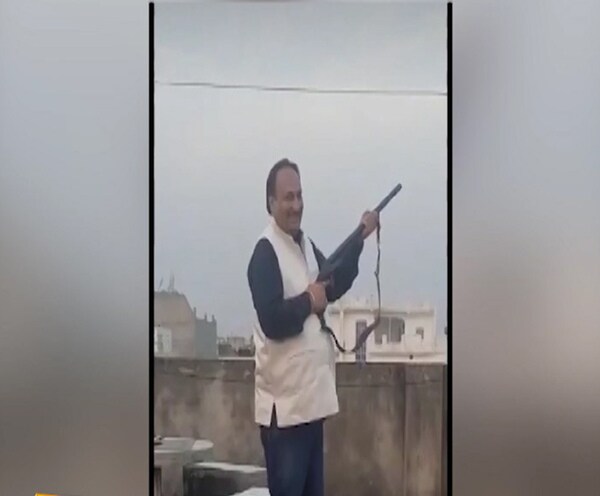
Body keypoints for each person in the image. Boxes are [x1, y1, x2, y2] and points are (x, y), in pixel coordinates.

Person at [246, 158, 379, 496]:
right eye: (288, 197)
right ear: (271, 203)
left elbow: (332, 284)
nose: (296, 205)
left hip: (311, 407)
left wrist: (359, 239)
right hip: (285, 416)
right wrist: (308, 300)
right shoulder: (265, 253)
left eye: (299, 196)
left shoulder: (304, 245)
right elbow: (272, 319)